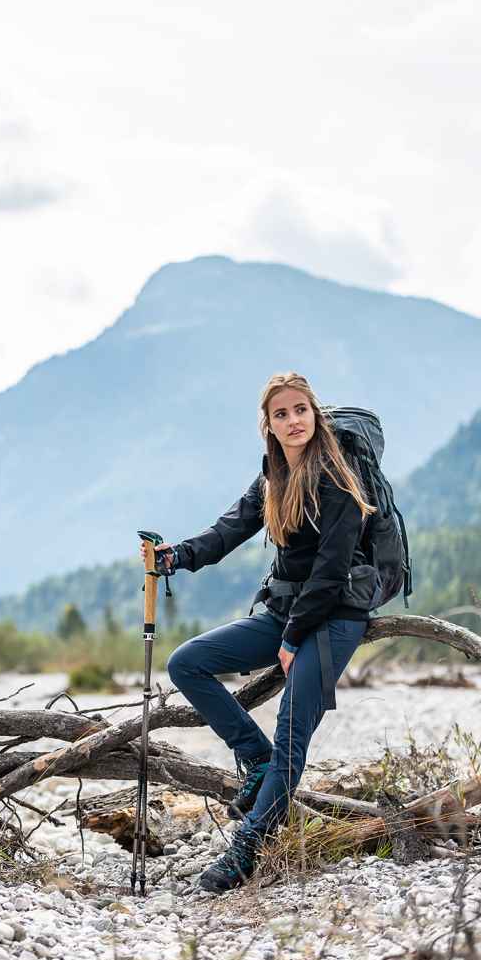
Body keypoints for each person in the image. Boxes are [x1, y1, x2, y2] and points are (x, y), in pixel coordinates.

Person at [155, 371, 376, 894]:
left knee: (292, 736)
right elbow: (228, 530)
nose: (293, 420)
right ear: (269, 426)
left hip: (335, 615)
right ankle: (255, 760)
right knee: (187, 662)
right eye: (282, 414)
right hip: (285, 612)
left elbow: (330, 573)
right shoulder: (271, 480)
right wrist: (178, 556)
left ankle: (248, 848)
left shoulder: (340, 482)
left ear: (314, 415)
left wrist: (293, 638)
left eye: (301, 409)